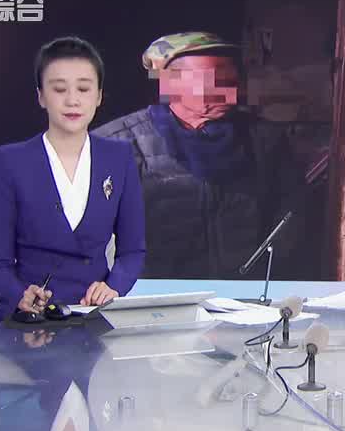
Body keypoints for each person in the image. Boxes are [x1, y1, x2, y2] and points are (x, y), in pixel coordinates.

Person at [94, 32, 309, 280]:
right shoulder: (114, 144)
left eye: (229, 79)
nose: (226, 90)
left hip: (242, 290)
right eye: (211, 80)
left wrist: (264, 269)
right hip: (153, 292)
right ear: (169, 83)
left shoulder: (264, 139)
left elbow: (292, 212)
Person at [0, 36, 146, 329]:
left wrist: (113, 287)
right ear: (41, 96)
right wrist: (20, 295)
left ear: (99, 96)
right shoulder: (8, 162)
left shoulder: (118, 158)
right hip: (25, 322)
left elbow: (132, 252)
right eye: (59, 89)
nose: (72, 100)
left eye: (83, 89)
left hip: (92, 320)